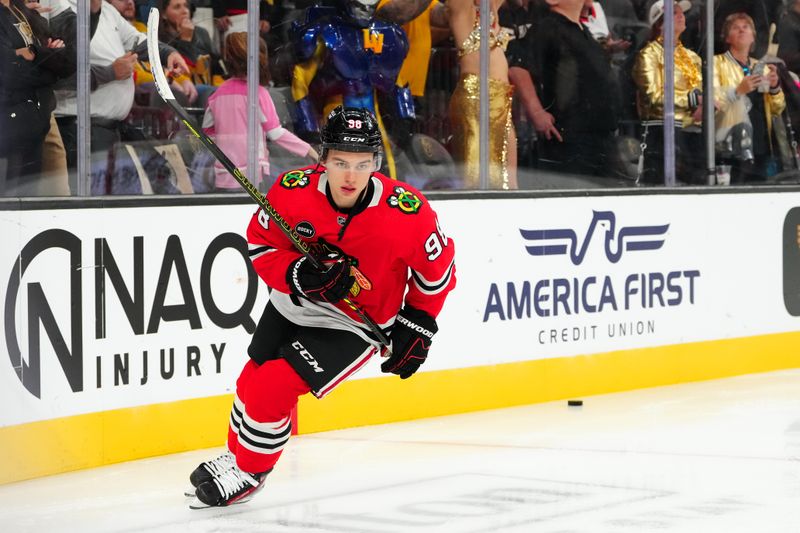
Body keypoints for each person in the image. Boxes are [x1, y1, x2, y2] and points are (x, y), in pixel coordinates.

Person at [186, 106, 456, 508]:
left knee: (272, 386)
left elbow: (438, 273)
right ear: (323, 158)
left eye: (363, 164)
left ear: (377, 164)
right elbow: (262, 247)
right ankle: (238, 454)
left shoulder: (408, 213)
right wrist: (299, 274)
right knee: (251, 378)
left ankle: (251, 471)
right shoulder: (291, 191)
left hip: (355, 325)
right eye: (341, 163)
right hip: (293, 303)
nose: (351, 176)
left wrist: (417, 323)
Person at [54, 0, 190, 194]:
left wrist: (167, 53)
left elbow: (138, 41)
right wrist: (110, 73)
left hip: (110, 128)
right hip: (78, 129)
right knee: (91, 203)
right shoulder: (56, 7)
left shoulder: (106, 10)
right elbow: (55, 74)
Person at [508, 0, 618, 177]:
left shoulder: (583, 30)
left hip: (599, 137)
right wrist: (536, 112)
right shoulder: (548, 27)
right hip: (572, 138)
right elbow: (518, 68)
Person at [202, 32, 318, 192]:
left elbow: (207, 131)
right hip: (252, 175)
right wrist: (310, 150)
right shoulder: (258, 93)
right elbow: (276, 133)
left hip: (224, 173)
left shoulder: (217, 94)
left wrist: (229, 144)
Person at [1, 0, 76, 194]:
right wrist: (47, 66)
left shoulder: (25, 11)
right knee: (14, 197)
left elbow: (68, 61)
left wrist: (35, 54)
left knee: (45, 196)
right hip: (10, 118)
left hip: (40, 114)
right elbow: (7, 71)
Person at [632, 0, 705, 184]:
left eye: (681, 12)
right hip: (661, 132)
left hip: (693, 132)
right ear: (660, 23)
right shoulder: (648, 54)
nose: (681, 15)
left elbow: (699, 90)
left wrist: (704, 104)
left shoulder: (692, 57)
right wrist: (693, 100)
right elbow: (654, 95)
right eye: (674, 13)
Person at [448, 0, 517, 189]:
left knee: (508, 181)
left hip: (500, 99)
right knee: (478, 181)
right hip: (477, 98)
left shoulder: (491, 11)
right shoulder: (462, 12)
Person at [714, 12, 785, 182]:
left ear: (753, 37)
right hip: (730, 145)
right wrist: (739, 90)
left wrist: (775, 88)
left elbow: (776, 109)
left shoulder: (761, 66)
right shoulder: (716, 63)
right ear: (727, 38)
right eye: (735, 28)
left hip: (759, 144)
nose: (741, 30)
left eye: (746, 27)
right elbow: (713, 102)